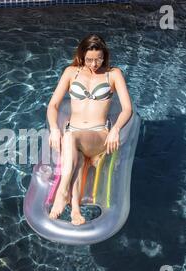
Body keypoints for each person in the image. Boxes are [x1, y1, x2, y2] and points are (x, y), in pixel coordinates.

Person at [47, 34, 133, 225]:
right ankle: (75, 211)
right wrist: (54, 128)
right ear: (81, 55)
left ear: (105, 56)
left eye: (99, 59)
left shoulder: (113, 74)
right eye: (89, 60)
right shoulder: (71, 72)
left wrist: (116, 129)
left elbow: (127, 108)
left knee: (70, 137)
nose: (94, 64)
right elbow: (53, 105)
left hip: (98, 136)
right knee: (74, 155)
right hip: (74, 136)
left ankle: (62, 193)